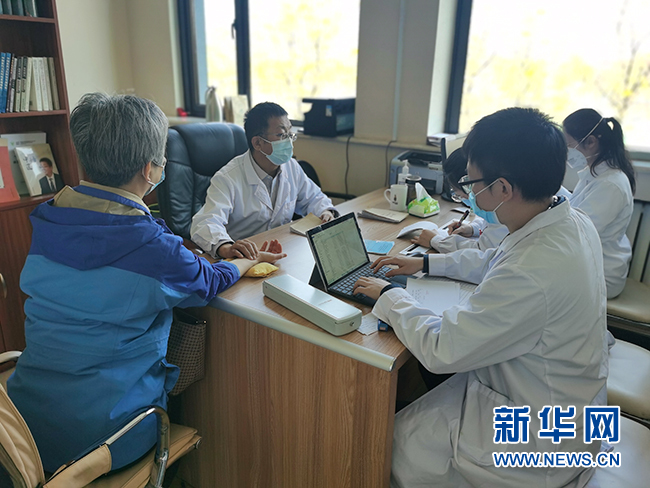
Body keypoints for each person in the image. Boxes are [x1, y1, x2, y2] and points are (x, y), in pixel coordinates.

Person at [7, 93, 286, 474]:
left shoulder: (49, 217)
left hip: (21, 424)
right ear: (149, 169)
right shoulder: (152, 246)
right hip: (104, 437)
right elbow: (209, 281)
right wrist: (247, 261)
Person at [354, 108, 608, 488]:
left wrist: (389, 296)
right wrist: (425, 262)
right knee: (411, 414)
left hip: (537, 442)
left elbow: (443, 349)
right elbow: (495, 260)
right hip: (555, 400)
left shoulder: (533, 268)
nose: (469, 192)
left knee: (382, 445)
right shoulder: (568, 221)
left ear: (503, 189)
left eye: (472, 183)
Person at [190, 102, 337, 259]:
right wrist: (226, 247)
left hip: (282, 251)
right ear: (258, 143)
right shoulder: (227, 178)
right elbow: (205, 223)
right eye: (281, 135)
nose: (289, 140)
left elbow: (314, 198)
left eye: (290, 133)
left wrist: (325, 212)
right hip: (244, 258)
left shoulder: (291, 167)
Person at [561, 109, 635, 299]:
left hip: (603, 275)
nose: (566, 152)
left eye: (568, 145)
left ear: (591, 142)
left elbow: (579, 231)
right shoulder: (595, 174)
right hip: (589, 263)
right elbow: (575, 209)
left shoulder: (610, 184)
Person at [411, 149, 508, 252]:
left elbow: (481, 253)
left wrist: (436, 241)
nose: (466, 199)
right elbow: (490, 222)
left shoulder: (506, 215)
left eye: (461, 195)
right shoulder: (498, 207)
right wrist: (472, 228)